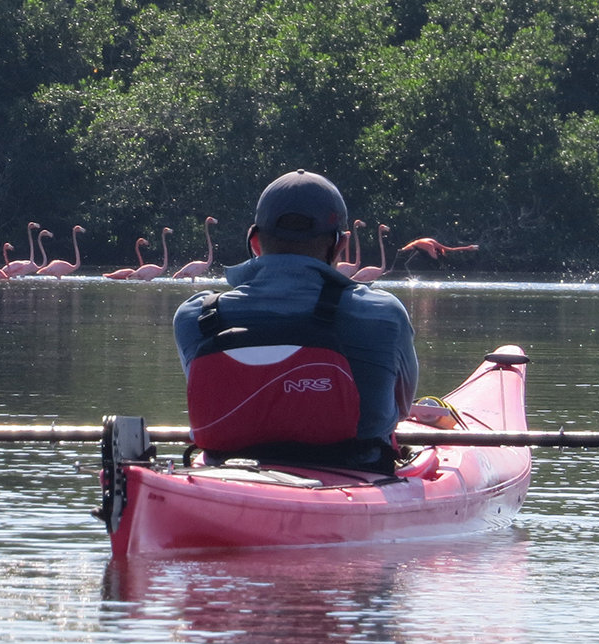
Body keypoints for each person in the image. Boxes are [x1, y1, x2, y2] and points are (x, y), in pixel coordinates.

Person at [172, 170, 418, 474]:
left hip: (226, 472)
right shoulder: (383, 313)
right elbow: (402, 409)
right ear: (340, 245)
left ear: (255, 242)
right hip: (355, 472)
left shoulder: (195, 316)